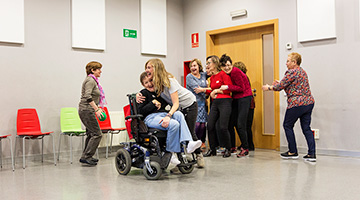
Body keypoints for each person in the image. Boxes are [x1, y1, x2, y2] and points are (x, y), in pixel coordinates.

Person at [138, 58, 205, 168]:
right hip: (176, 108)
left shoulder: (169, 81)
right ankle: (177, 157)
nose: (147, 70)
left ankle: (197, 154)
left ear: (157, 68)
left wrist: (168, 116)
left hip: (189, 104)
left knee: (190, 131)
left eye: (149, 67)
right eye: (146, 68)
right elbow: (147, 96)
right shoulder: (156, 84)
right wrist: (138, 95)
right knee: (177, 125)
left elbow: (175, 103)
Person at [262, 52, 316, 162]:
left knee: (287, 125)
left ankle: (292, 151)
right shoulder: (302, 72)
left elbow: (280, 86)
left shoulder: (291, 72)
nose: (286, 63)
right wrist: (280, 83)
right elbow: (292, 85)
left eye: (288, 61)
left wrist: (269, 87)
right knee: (306, 128)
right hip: (308, 103)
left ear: (294, 62)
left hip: (297, 104)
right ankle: (312, 154)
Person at [195, 55, 233, 158]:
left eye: (209, 63)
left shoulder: (223, 75)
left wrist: (216, 90)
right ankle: (212, 149)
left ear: (215, 64)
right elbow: (212, 89)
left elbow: (229, 89)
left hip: (225, 101)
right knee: (210, 125)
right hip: (215, 103)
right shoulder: (212, 77)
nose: (207, 65)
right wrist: (207, 91)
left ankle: (228, 149)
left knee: (223, 127)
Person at [219, 54, 253, 157]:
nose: (227, 67)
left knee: (240, 124)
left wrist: (227, 87)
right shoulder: (227, 73)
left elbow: (241, 88)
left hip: (244, 98)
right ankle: (232, 147)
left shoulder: (235, 72)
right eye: (224, 66)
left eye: (228, 65)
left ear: (231, 64)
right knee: (231, 123)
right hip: (237, 98)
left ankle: (245, 148)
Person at [78, 61, 106, 166]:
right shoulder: (90, 81)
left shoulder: (93, 80)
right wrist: (97, 109)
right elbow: (88, 96)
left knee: (90, 134)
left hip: (87, 109)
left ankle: (86, 156)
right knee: (97, 134)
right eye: (98, 69)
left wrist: (98, 108)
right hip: (86, 110)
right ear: (92, 70)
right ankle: (87, 156)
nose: (100, 71)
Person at [186, 59, 208, 148]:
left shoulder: (203, 75)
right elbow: (196, 89)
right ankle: (194, 142)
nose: (193, 68)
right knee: (197, 124)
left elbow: (212, 73)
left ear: (199, 66)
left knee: (203, 125)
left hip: (203, 104)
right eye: (191, 66)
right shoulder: (189, 77)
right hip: (194, 104)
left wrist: (204, 89)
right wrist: (208, 90)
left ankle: (202, 142)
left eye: (195, 65)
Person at [233, 61, 255, 151]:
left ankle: (246, 144)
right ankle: (250, 145)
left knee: (242, 125)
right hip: (251, 105)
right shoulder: (246, 77)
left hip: (246, 104)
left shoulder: (241, 78)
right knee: (247, 126)